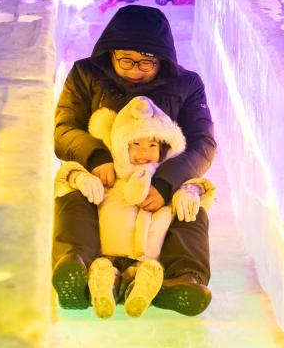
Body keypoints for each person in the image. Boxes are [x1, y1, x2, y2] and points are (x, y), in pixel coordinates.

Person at [53, 5, 218, 316]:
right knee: (75, 196)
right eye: (126, 60)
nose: (135, 69)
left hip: (158, 176)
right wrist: (96, 157)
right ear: (111, 53)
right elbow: (64, 129)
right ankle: (76, 268)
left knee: (190, 208)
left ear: (162, 59)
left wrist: (167, 184)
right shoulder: (86, 74)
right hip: (105, 178)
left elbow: (203, 143)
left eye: (146, 62)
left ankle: (184, 278)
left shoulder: (186, 84)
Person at [54, 96, 215, 319]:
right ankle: (81, 274)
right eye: (135, 144)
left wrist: (191, 190)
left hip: (151, 262)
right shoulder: (109, 177)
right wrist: (78, 177)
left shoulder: (169, 183)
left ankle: (182, 279)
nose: (143, 152)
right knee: (76, 203)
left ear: (164, 148)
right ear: (120, 146)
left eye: (152, 145)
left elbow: (205, 195)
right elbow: (63, 183)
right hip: (106, 256)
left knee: (191, 211)